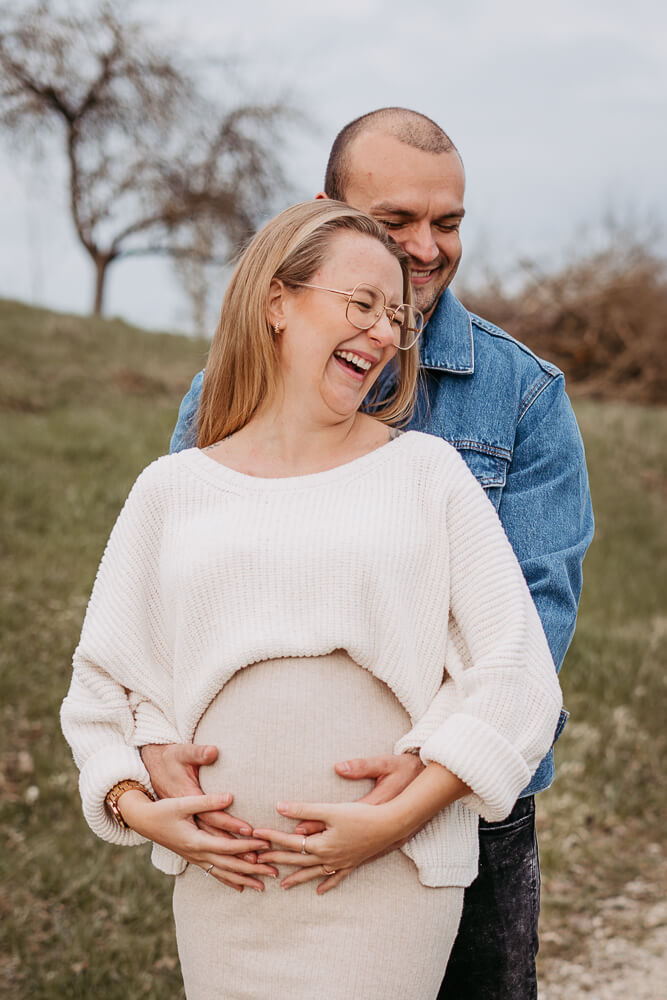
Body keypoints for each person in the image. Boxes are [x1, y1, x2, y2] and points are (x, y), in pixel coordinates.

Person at [61, 200, 563, 1000]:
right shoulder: (172, 490)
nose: (382, 331)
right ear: (277, 303)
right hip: (226, 887)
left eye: (395, 316)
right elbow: (105, 687)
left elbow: (517, 676)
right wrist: (133, 801)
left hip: (387, 879)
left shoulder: (427, 475)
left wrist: (401, 816)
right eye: (360, 304)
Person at [155, 108, 595, 1000]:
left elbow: (529, 625)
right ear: (330, 217)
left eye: (449, 222)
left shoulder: (522, 396)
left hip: (466, 818)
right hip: (259, 842)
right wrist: (156, 744)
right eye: (396, 223)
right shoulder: (225, 392)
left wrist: (427, 776)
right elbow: (174, 594)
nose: (426, 248)